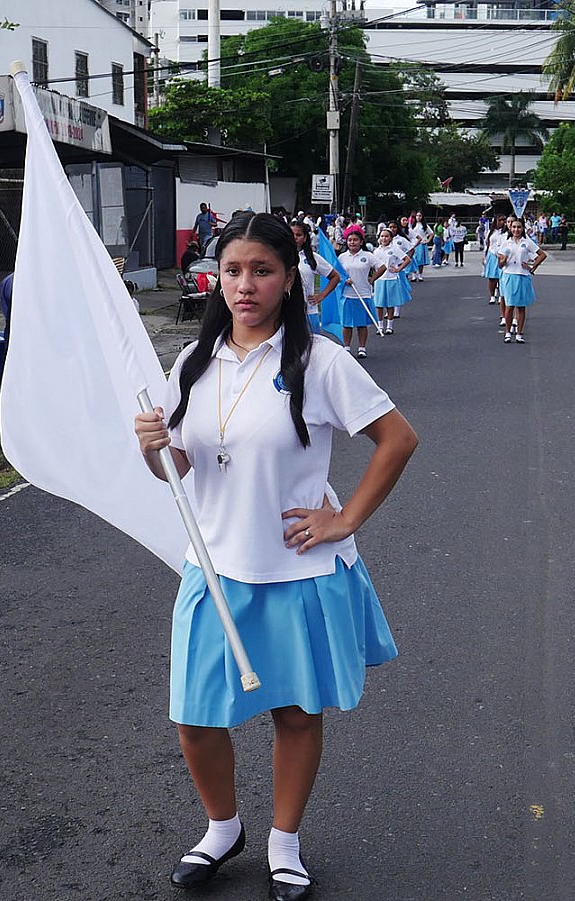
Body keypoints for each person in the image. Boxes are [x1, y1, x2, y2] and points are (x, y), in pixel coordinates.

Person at [133, 213, 417, 900]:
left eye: (261, 271)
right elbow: (176, 467)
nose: (245, 285)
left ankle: (284, 843)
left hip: (295, 570)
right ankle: (222, 827)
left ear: (289, 278)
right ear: (217, 278)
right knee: (195, 717)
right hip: (214, 567)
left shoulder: (320, 361)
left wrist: (344, 517)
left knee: (294, 713)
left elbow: (398, 438)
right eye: (232, 271)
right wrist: (152, 447)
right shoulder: (192, 363)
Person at [335, 225, 385, 358]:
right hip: (347, 295)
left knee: (362, 324)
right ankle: (346, 347)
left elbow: (382, 267)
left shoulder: (368, 256)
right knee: (347, 324)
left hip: (363, 294)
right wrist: (344, 280)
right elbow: (336, 273)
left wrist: (372, 279)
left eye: (355, 240)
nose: (352, 242)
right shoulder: (342, 257)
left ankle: (362, 348)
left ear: (361, 241)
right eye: (350, 240)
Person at [496, 216, 546, 343]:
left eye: (519, 227)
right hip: (509, 275)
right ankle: (508, 332)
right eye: (514, 227)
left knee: (521, 306)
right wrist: (503, 260)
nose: (516, 230)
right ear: (510, 228)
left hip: (523, 275)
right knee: (509, 305)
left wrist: (533, 267)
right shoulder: (506, 243)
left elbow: (542, 255)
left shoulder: (527, 242)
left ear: (523, 228)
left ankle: (519, 333)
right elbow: (500, 265)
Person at [291, 220, 340, 335]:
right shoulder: (279, 257)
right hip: (287, 312)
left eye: (298, 235)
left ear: (305, 238)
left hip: (309, 312)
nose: (295, 238)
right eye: (291, 234)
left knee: (312, 344)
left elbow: (335, 277)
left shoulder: (312, 258)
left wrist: (321, 295)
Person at [373, 224, 412, 336]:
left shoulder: (394, 249)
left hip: (391, 278)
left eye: (386, 236)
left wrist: (398, 269)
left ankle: (389, 326)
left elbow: (407, 259)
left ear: (390, 238)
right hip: (380, 280)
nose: (384, 238)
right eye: (382, 236)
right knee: (379, 304)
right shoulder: (376, 251)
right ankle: (380, 326)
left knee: (390, 304)